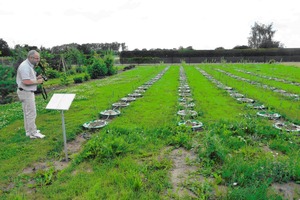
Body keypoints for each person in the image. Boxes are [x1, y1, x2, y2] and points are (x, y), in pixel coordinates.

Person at [16, 50, 45, 139]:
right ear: (30, 57)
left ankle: (29, 131)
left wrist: (37, 78)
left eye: (38, 58)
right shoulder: (24, 66)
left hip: (25, 92)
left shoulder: (28, 65)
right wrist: (38, 81)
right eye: (37, 58)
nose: (38, 60)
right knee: (31, 113)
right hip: (26, 92)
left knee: (27, 113)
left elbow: (28, 78)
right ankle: (33, 132)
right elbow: (26, 81)